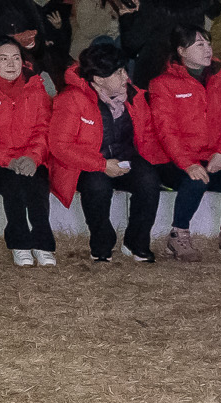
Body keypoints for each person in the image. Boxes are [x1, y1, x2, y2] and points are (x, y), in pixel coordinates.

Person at [136, 24, 221, 261]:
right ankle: (178, 235)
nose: (207, 49)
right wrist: (188, 163)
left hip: (213, 156)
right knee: (195, 180)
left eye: (208, 43)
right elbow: (165, 130)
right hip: (174, 159)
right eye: (199, 44)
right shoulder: (163, 84)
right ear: (181, 50)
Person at [46, 40, 160, 263]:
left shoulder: (134, 95)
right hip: (86, 163)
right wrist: (101, 165)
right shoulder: (72, 98)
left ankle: (136, 243)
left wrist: (152, 161)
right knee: (97, 185)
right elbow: (60, 145)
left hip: (125, 157)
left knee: (148, 179)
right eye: (118, 73)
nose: (125, 77)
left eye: (124, 70)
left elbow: (147, 134)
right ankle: (101, 243)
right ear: (98, 79)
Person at [0, 36, 56, 266]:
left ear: (23, 61)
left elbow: (43, 128)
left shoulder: (35, 87)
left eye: (15, 58)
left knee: (38, 183)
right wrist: (8, 161)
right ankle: (20, 243)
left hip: (30, 158)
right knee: (14, 184)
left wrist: (33, 157)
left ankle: (43, 243)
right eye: (3, 58)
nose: (10, 63)